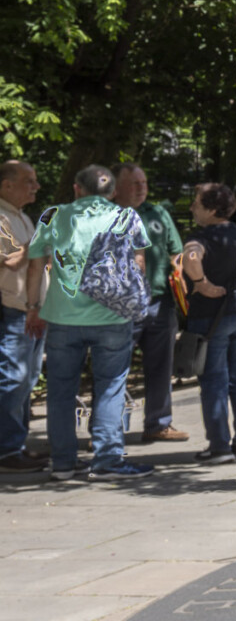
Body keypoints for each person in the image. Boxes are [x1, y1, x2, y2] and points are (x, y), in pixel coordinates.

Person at [28, 164, 151, 479]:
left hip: (61, 316)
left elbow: (35, 265)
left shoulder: (52, 215)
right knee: (110, 386)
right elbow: (139, 263)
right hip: (112, 315)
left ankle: (63, 462)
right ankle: (107, 460)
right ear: (112, 192)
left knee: (59, 390)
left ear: (76, 188)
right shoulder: (127, 217)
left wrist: (33, 308)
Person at [181, 183, 236, 463]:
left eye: (197, 203)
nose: (192, 208)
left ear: (212, 209)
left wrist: (201, 283)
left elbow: (190, 257)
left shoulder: (201, 237)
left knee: (214, 380)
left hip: (212, 316)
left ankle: (219, 446)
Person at [114, 164, 188, 446]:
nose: (141, 187)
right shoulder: (107, 215)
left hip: (160, 303)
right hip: (119, 307)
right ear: (116, 188)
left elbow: (176, 253)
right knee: (113, 370)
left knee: (160, 367)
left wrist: (181, 283)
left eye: (143, 182)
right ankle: (107, 430)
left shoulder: (158, 213)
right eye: (134, 183)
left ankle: (158, 424)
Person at [0, 160, 43, 471]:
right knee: (14, 379)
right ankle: (6, 449)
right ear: (6, 185)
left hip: (34, 311)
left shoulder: (22, 217)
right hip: (14, 309)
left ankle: (16, 444)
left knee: (27, 379)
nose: (35, 186)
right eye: (28, 181)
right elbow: (12, 261)